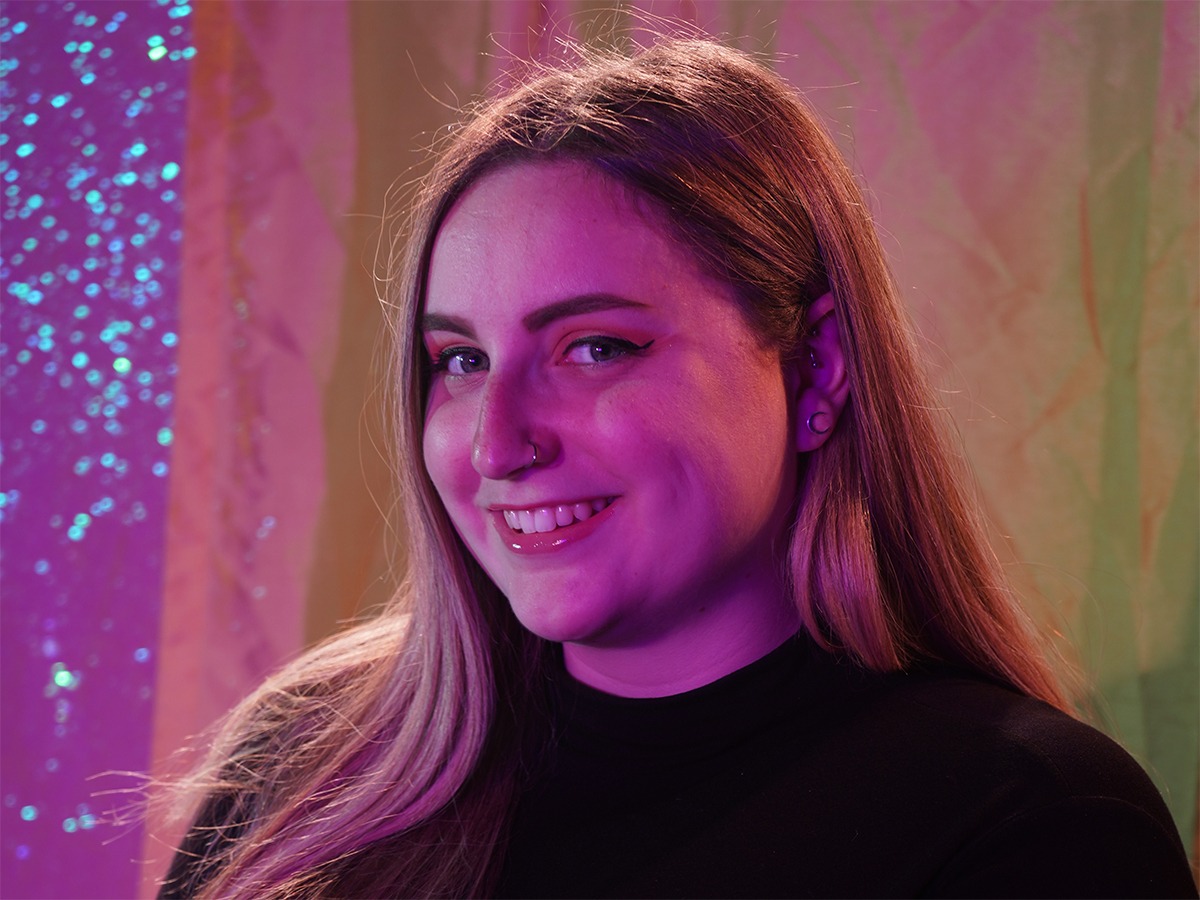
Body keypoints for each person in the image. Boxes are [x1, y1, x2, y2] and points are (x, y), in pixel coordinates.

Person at [158, 38, 1196, 898]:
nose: (497, 445)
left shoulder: (1032, 824)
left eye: (595, 348)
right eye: (461, 361)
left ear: (818, 366)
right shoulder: (307, 763)